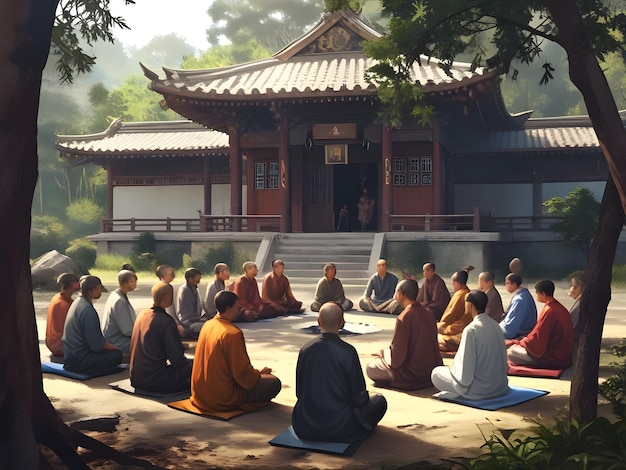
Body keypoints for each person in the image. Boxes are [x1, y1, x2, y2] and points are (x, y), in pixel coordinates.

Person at [292, 302, 387, 442]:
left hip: (306, 426)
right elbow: (359, 396)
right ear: (342, 322)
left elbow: (299, 393)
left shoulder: (305, 350)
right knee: (379, 401)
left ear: (319, 321)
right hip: (342, 426)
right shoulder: (348, 352)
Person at [189, 291, 281, 413]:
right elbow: (242, 375)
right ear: (229, 309)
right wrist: (258, 374)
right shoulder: (232, 333)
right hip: (223, 396)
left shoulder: (207, 324)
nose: (239, 310)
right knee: (273, 382)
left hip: (201, 394)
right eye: (237, 307)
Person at [431, 290, 509, 400]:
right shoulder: (496, 325)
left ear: (470, 305)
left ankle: (462, 395)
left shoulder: (471, 330)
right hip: (500, 387)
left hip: (480, 390)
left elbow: (464, 376)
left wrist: (454, 370)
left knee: (436, 373)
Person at [366, 279, 442, 390]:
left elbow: (397, 359)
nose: (395, 296)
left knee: (371, 367)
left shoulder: (404, 317)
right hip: (429, 373)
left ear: (401, 294)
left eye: (396, 293)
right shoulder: (429, 314)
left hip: (410, 376)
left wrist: (384, 354)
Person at [130, 282, 193, 393]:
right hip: (155, 380)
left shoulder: (142, 314)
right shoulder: (166, 321)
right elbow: (177, 360)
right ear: (165, 297)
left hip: (136, 378)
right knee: (195, 364)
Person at [507, 280, 574, 369]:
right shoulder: (559, 307)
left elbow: (538, 336)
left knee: (511, 352)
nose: (536, 296)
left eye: (537, 293)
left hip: (553, 356)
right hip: (563, 353)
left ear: (543, 294)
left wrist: (522, 342)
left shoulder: (550, 310)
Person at [62, 276, 122, 373]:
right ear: (91, 290)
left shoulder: (77, 302)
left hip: (70, 355)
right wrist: (113, 347)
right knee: (117, 355)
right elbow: (96, 346)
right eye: (98, 289)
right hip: (80, 359)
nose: (100, 292)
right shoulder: (88, 311)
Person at [101, 269, 138, 358]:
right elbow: (127, 330)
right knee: (148, 345)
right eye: (132, 282)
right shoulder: (119, 301)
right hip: (117, 340)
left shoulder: (116, 294)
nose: (135, 284)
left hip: (114, 337)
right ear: (125, 283)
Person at [437, 269, 472, 353]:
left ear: (458, 282)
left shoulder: (459, 294)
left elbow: (449, 315)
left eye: (453, 282)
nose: (452, 284)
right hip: (464, 328)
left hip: (457, 329)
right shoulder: (468, 292)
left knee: (433, 336)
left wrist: (441, 325)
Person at [45, 273, 80, 357]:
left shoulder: (61, 297)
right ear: (72, 285)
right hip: (57, 345)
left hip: (55, 342)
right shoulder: (62, 304)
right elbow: (65, 331)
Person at [500, 273, 537, 339]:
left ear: (514, 284)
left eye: (507, 283)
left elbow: (510, 327)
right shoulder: (524, 294)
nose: (506, 286)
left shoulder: (520, 300)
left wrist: (496, 329)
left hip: (521, 334)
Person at [155, 264, 186, 338]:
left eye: (173, 273)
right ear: (162, 275)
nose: (173, 275)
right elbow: (169, 309)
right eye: (169, 274)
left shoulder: (166, 286)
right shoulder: (164, 288)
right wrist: (176, 323)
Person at [176, 267, 207, 338]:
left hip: (195, 319)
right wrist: (199, 319)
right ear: (190, 279)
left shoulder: (195, 288)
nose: (199, 280)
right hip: (187, 322)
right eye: (197, 278)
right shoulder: (185, 291)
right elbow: (187, 312)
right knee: (208, 326)